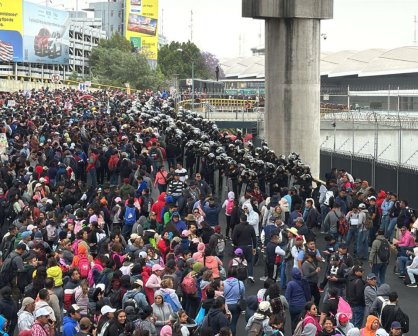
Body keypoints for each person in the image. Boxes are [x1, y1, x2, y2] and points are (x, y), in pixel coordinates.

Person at [231, 214, 257, 283]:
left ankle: (239, 275)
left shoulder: (237, 227)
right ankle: (250, 276)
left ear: (240, 219)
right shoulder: (251, 227)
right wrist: (254, 247)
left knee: (239, 261)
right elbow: (254, 238)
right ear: (246, 219)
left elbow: (233, 237)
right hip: (249, 246)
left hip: (240, 246)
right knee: (249, 261)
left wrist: (236, 244)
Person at [223, 267, 245, 335]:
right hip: (236, 305)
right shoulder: (240, 283)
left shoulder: (223, 283)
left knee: (225, 323)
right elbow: (243, 294)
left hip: (225, 306)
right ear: (236, 274)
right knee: (233, 324)